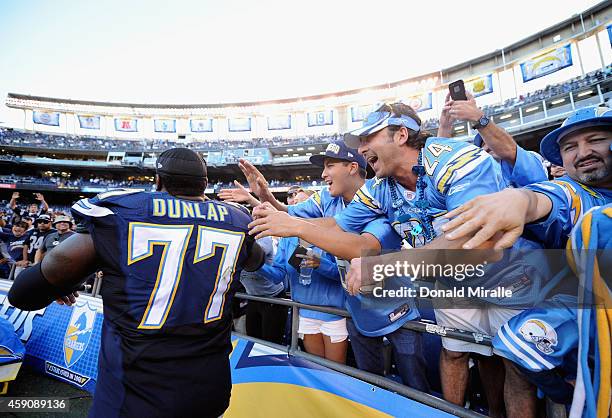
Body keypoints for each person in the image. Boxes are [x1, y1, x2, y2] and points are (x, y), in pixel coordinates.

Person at [249, 103, 510, 413]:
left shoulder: (454, 158)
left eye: (368, 138)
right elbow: (337, 226)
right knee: (457, 353)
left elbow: (473, 238)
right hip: (447, 280)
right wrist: (293, 223)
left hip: (503, 270)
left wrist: (383, 262)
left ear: (401, 135)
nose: (361, 148)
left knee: (511, 363)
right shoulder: (379, 187)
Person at [8, 148, 265, 418]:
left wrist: (65, 282)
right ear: (205, 183)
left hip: (133, 393)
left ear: (158, 181)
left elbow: (24, 294)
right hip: (208, 389)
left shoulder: (121, 212)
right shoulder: (236, 218)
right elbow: (255, 261)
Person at [443, 106, 612, 416]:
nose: (583, 152)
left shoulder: (531, 166)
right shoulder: (576, 192)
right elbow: (547, 198)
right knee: (516, 360)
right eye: (570, 147)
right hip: (542, 303)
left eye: (596, 140)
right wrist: (519, 199)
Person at [230, 142, 429, 390]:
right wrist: (264, 194)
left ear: (353, 167)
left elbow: (360, 245)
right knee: (370, 384)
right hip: (357, 310)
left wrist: (300, 232)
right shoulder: (326, 198)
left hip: (394, 307)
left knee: (414, 385)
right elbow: (290, 214)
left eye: (330, 166)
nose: (323, 175)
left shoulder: (382, 196)